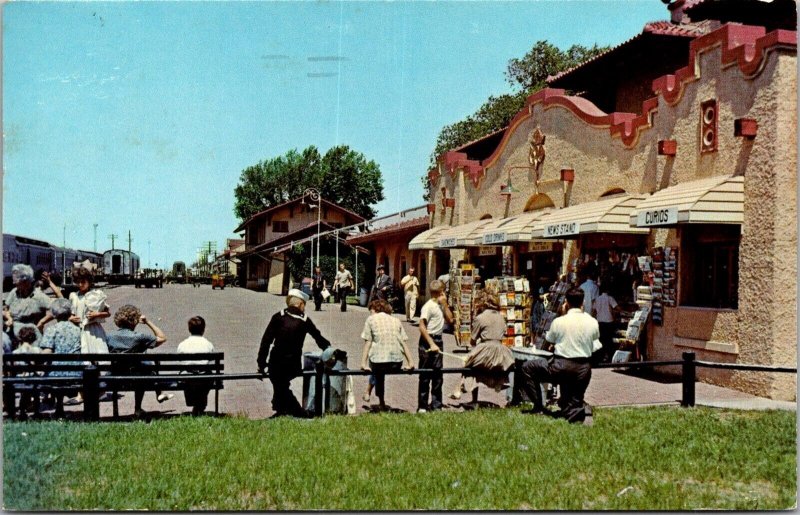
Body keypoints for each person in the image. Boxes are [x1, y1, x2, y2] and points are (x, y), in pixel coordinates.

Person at [518, 287, 599, 424]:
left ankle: (539, 406)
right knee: (572, 405)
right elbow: (595, 344)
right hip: (583, 370)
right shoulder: (592, 322)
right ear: (582, 302)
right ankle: (577, 409)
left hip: (561, 367)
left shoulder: (559, 321)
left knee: (527, 367)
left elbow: (549, 340)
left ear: (566, 302)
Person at [257, 289, 331, 418]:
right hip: (293, 365)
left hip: (275, 363)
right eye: (304, 305)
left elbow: (266, 341)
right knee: (282, 386)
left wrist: (261, 363)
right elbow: (318, 337)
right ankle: (283, 409)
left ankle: (297, 412)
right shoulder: (304, 320)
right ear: (300, 304)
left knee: (281, 386)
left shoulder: (278, 317)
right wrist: (328, 347)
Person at [106, 304, 172, 417]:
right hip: (137, 377)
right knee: (144, 369)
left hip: (115, 376)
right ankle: (138, 407)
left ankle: (117, 411)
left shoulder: (109, 336)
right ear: (135, 320)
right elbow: (162, 338)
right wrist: (148, 322)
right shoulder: (139, 337)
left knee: (141, 367)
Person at [450, 293, 514, 406]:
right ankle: (498, 383)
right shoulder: (501, 318)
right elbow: (502, 335)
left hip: (486, 349)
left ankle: (463, 391)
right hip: (500, 351)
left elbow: (472, 340)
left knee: (468, 364)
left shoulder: (480, 318)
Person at [359, 299, 414, 411]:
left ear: (375, 309)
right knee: (378, 364)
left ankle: (380, 401)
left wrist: (363, 363)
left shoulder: (371, 320)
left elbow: (368, 343)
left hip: (378, 363)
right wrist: (410, 362)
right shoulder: (396, 320)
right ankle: (378, 399)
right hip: (396, 363)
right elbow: (403, 342)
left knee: (376, 365)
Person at [417, 279, 453, 413]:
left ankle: (436, 405)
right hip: (428, 340)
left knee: (438, 375)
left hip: (439, 339)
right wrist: (431, 343)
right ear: (441, 292)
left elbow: (451, 319)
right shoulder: (428, 306)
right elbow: (421, 327)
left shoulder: (441, 305)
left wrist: (445, 305)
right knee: (425, 374)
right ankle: (422, 405)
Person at [39, 298, 83, 407]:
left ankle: (54, 404)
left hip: (55, 374)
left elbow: (47, 352)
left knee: (44, 373)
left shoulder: (51, 329)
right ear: (69, 313)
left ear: (54, 314)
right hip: (77, 373)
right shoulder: (78, 330)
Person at [4, 264, 53, 347]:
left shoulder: (38, 295)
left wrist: (42, 322)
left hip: (31, 337)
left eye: (17, 282)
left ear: (26, 282)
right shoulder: (14, 292)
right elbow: (6, 309)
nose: (13, 283)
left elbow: (55, 310)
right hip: (14, 336)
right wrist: (9, 318)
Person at [176, 316, 215, 416]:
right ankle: (199, 406)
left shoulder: (182, 344)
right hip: (204, 379)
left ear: (189, 329)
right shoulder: (208, 344)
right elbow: (211, 359)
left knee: (186, 374)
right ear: (203, 329)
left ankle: (195, 404)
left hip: (187, 378)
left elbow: (180, 359)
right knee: (208, 376)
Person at [68, 267, 110, 355]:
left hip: (93, 330)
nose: (80, 284)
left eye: (83, 282)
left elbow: (108, 313)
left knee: (97, 354)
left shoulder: (96, 295)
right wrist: (71, 318)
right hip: (78, 329)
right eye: (77, 282)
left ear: (89, 282)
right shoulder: (73, 296)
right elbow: (71, 313)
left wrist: (97, 314)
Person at [592, 284, 620, 364]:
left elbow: (593, 311)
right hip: (609, 321)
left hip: (600, 322)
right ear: (607, 291)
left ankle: (601, 356)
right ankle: (609, 356)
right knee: (609, 340)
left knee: (601, 340)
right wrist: (613, 312)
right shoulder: (610, 298)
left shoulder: (597, 299)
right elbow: (618, 308)